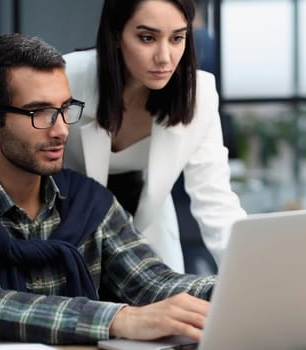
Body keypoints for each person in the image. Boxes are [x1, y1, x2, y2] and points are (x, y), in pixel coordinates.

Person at [0, 33, 215, 345]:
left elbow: (152, 282)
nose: (61, 129)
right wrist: (120, 318)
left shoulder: (89, 202)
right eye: (39, 113)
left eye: (64, 108)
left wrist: (234, 288)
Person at [63, 0, 246, 273]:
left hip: (148, 232)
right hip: (67, 228)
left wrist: (255, 279)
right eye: (147, 38)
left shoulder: (198, 94)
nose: (164, 57)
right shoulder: (67, 77)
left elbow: (216, 201)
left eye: (177, 38)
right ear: (115, 34)